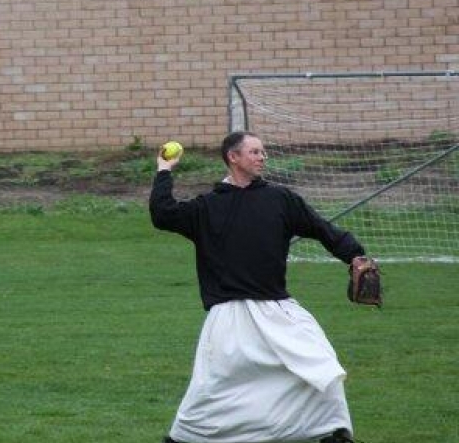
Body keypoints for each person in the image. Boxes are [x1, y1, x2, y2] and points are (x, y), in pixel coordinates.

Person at [149, 131, 364, 443]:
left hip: (278, 309)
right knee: (213, 389)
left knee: (322, 367)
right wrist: (164, 170)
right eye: (254, 152)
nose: (262, 157)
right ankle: (184, 438)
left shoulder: (280, 199)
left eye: (263, 152)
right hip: (229, 315)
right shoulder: (207, 207)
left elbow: (322, 229)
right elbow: (162, 213)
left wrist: (355, 255)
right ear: (233, 157)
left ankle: (333, 433)